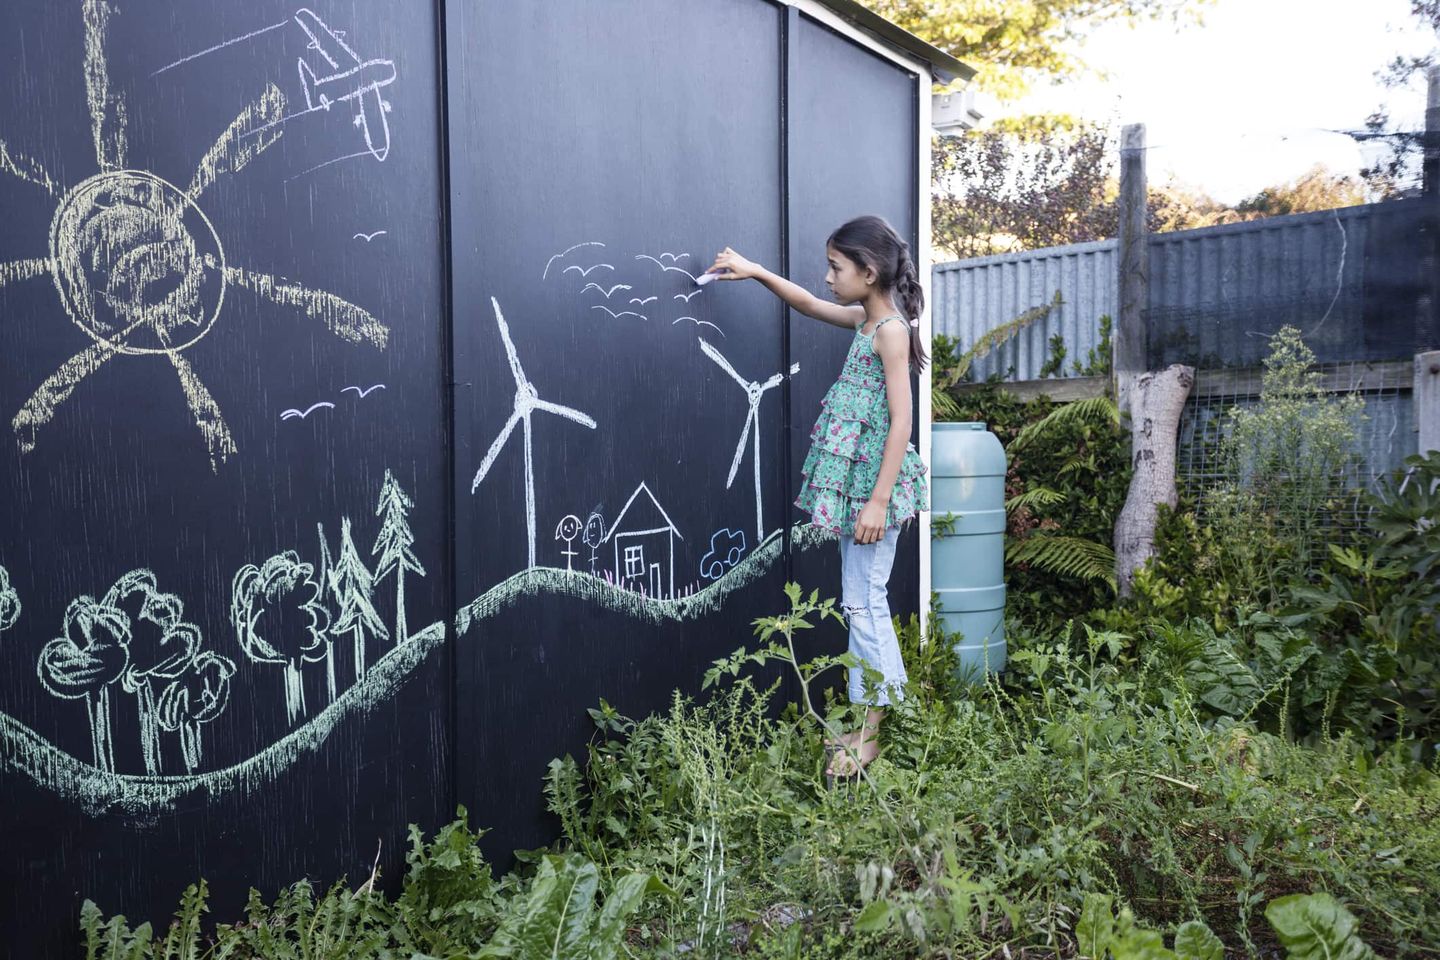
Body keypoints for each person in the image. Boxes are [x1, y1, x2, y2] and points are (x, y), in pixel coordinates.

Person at [704, 215, 930, 778]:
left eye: (836, 267)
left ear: (868, 271)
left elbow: (902, 422)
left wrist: (878, 502)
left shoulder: (891, 332)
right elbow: (807, 303)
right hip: (860, 487)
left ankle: (873, 734)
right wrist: (754, 272)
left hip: (875, 490)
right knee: (860, 599)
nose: (828, 277)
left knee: (865, 602)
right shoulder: (865, 321)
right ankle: (872, 721)